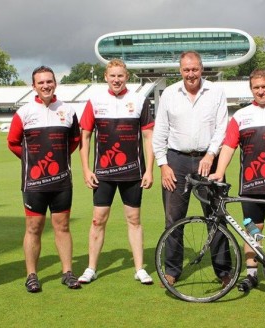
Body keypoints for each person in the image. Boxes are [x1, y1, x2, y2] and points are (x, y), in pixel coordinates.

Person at [209, 69, 265, 294]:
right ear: (251, 89)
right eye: (256, 87)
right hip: (251, 185)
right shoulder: (241, 116)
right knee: (252, 231)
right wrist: (219, 172)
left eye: (264, 86)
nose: (261, 91)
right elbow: (229, 146)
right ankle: (251, 275)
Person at [152, 50, 232, 287]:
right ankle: (172, 270)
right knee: (174, 219)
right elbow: (161, 132)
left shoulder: (216, 92)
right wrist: (163, 165)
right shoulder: (169, 93)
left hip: (209, 161)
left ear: (201, 68)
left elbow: (221, 128)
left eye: (194, 69)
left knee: (216, 217)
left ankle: (223, 270)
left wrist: (210, 154)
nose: (191, 74)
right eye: (186, 70)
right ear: (180, 70)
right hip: (176, 161)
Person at [77, 59, 155, 285]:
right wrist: (85, 169)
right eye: (112, 76)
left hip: (133, 172)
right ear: (106, 77)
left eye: (120, 76)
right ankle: (91, 268)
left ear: (126, 77)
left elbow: (149, 137)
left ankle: (140, 269)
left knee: (134, 219)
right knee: (97, 219)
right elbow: (85, 136)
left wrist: (149, 170)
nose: (116, 80)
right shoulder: (95, 101)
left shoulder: (139, 100)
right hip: (103, 174)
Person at [7, 66, 81, 293]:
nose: (46, 86)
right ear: (34, 86)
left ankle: (67, 272)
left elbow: (75, 139)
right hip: (34, 183)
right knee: (33, 228)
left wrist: (59, 159)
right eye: (41, 83)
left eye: (49, 81)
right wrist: (32, 161)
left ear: (55, 83)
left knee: (63, 226)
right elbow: (12, 142)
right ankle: (32, 275)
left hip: (61, 182)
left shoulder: (67, 111)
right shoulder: (24, 112)